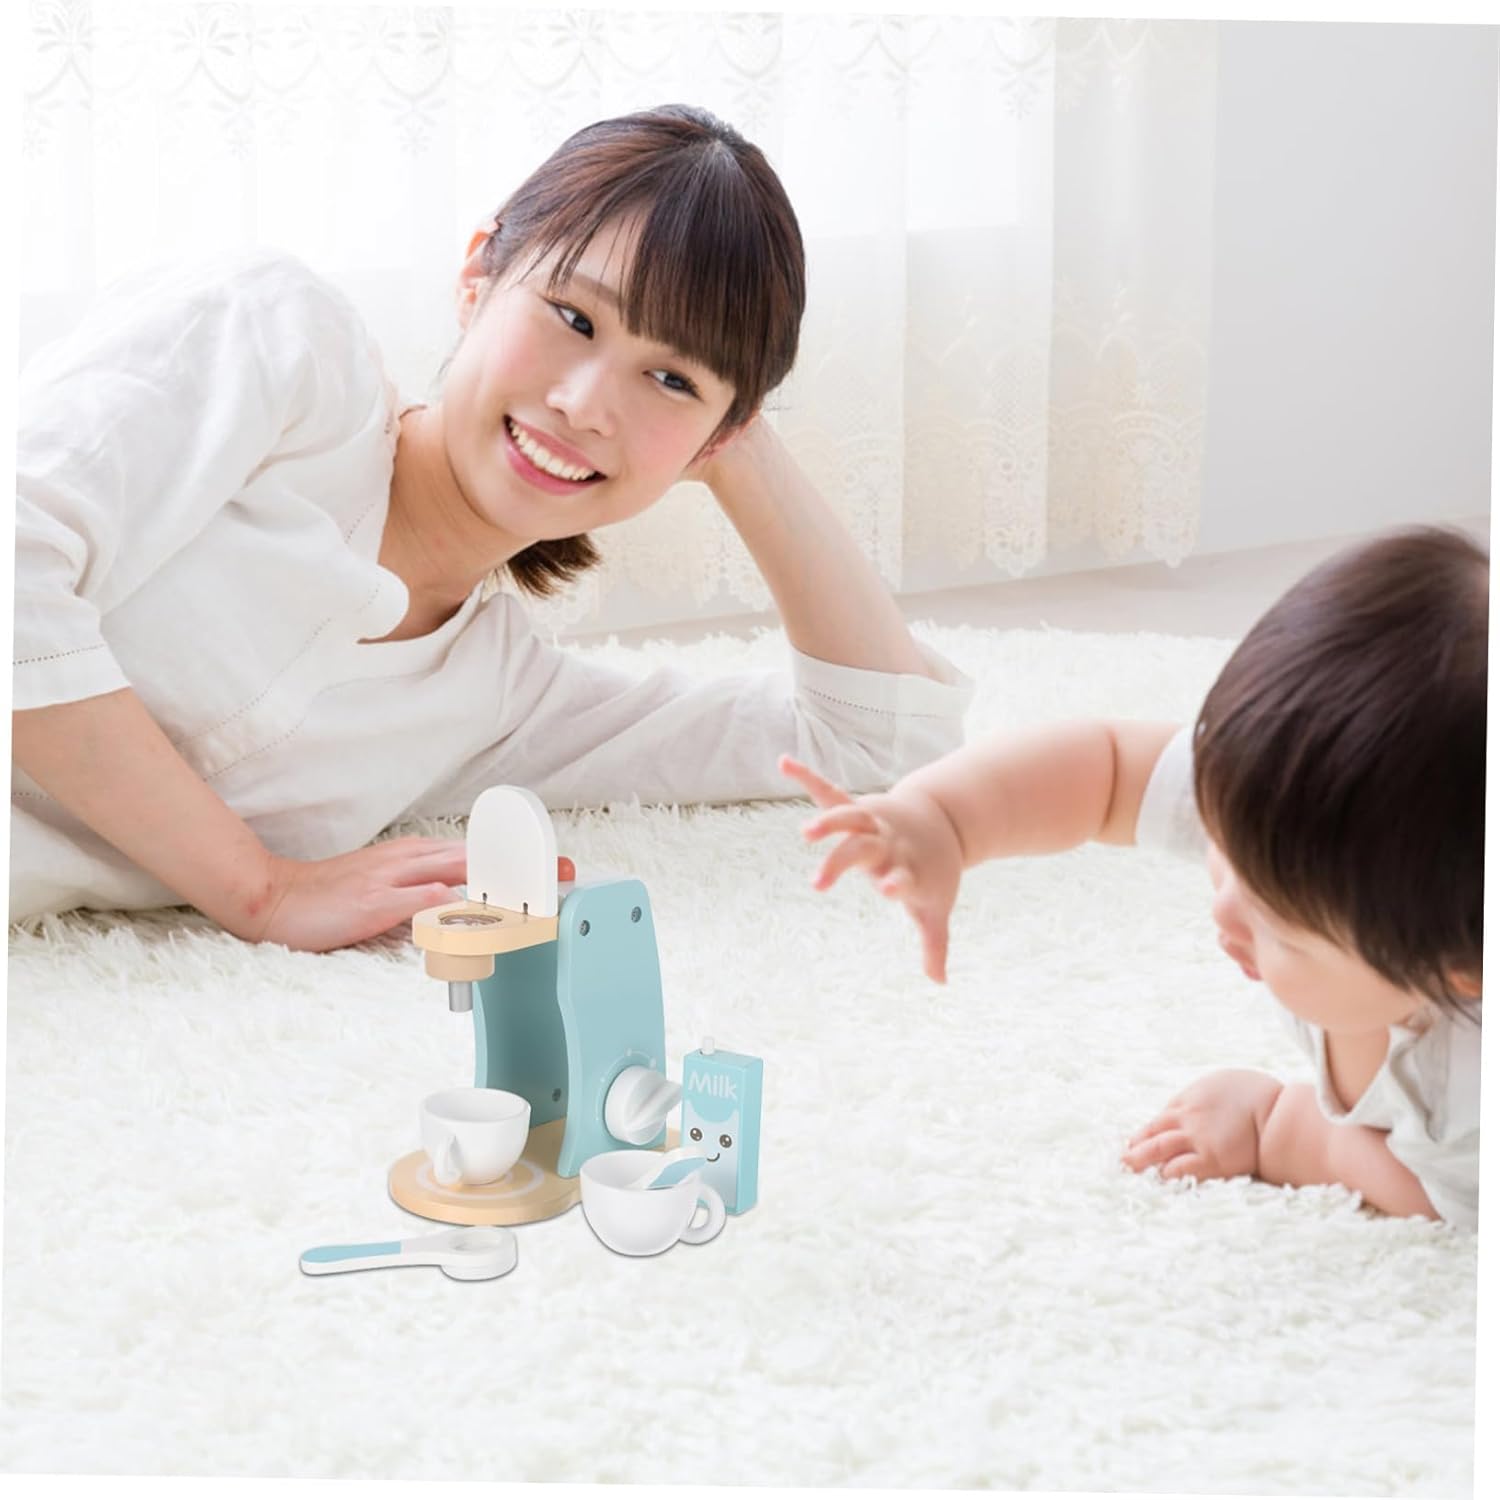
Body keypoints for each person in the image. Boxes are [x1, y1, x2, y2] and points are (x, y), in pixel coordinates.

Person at [12, 104, 971, 951]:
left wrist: (733, 445)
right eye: (573, 318)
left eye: (669, 378)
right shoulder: (284, 345)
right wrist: (261, 889)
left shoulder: (497, 699)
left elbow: (874, 745)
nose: (584, 404)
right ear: (479, 273)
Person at [782, 527, 1484, 1228]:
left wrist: (1282, 1125)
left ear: (1462, 970)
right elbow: (1112, 765)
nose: (1225, 912)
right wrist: (942, 819)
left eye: (1282, 927)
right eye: (1224, 851)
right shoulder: (1288, 806)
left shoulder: (1468, 1098)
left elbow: (1433, 1195)